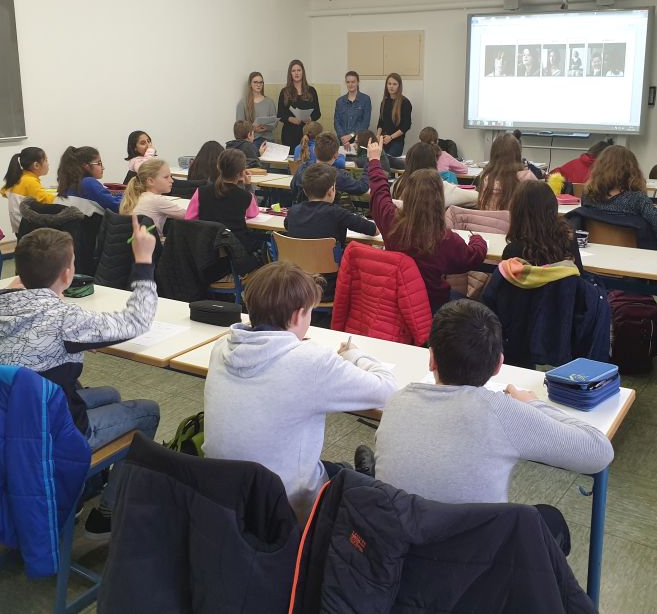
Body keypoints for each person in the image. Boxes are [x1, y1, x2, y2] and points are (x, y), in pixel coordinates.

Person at [374, 300, 613, 553]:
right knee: (550, 519)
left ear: (431, 358)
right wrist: (533, 404)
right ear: (499, 365)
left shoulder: (397, 401)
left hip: (396, 554)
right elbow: (599, 453)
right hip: (475, 562)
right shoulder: (502, 411)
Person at [0, 220, 161, 540]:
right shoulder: (66, 320)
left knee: (110, 394)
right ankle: (108, 511)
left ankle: (80, 490)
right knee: (148, 411)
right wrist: (144, 260)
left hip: (11, 423)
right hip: (51, 435)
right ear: (68, 274)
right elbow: (137, 320)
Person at [202, 261, 397, 522]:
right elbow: (388, 391)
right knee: (346, 477)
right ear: (297, 316)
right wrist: (354, 355)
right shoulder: (311, 362)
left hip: (221, 495)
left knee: (337, 469)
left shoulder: (221, 348)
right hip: (286, 508)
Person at [367, 140, 487, 309]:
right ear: (439, 198)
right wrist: (477, 240)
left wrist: (374, 160)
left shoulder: (391, 222)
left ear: (408, 194)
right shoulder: (445, 239)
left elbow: (379, 192)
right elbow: (473, 257)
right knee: (476, 306)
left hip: (397, 299)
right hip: (432, 304)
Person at [285, 163, 378, 298]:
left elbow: (287, 225)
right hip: (331, 286)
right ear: (331, 191)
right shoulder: (337, 213)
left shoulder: (293, 212)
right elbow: (374, 230)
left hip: (298, 283)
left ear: (305, 191)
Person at [581, 145, 657, 241]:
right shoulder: (638, 199)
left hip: (596, 248)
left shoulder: (588, 195)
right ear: (633, 170)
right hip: (632, 250)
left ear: (599, 168)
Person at [185, 148, 262, 254]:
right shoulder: (246, 196)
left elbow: (189, 218)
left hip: (207, 247)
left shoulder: (201, 192)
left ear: (218, 167)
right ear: (241, 173)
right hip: (236, 249)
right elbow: (253, 213)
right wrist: (248, 186)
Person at [503, 180, 583, 270]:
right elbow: (579, 273)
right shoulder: (567, 239)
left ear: (516, 211)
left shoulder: (512, 252)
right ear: (553, 207)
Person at [392, 142, 477, 208]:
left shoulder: (397, 184)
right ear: (434, 162)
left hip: (402, 225)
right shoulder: (440, 187)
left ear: (408, 161)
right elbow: (478, 198)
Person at [119, 158, 186, 238]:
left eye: (170, 176)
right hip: (152, 244)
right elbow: (188, 215)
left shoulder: (137, 196)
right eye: (166, 177)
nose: (172, 180)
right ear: (150, 181)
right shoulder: (157, 200)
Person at [292, 132, 366, 202]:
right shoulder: (338, 176)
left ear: (314, 151)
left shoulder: (302, 168)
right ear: (336, 155)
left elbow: (293, 188)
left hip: (302, 209)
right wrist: (370, 162)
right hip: (328, 210)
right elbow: (362, 188)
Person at [1, 146, 55, 233]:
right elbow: (46, 200)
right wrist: (62, 197)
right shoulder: (29, 181)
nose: (48, 164)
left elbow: (3, 191)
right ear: (36, 165)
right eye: (46, 160)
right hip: (28, 228)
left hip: (18, 226)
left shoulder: (19, 177)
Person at [477, 133, 536, 211]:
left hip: (489, 219)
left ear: (493, 155)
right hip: (516, 219)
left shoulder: (486, 178)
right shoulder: (527, 178)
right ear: (518, 154)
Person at [56, 145, 122, 212]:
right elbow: (117, 206)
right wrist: (126, 195)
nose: (103, 168)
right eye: (99, 163)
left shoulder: (69, 184)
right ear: (86, 166)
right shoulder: (88, 182)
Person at [278, 59, 321, 151]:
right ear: (290, 73)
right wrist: (291, 119)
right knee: (292, 158)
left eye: (299, 70)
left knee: (308, 158)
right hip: (289, 134)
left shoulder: (311, 91)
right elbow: (280, 114)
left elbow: (317, 113)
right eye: (293, 71)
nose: (296, 73)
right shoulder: (285, 92)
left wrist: (309, 119)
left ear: (303, 72)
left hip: (309, 133)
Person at [235, 71, 278, 142]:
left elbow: (275, 123)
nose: (258, 85)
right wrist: (252, 129)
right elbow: (239, 126)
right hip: (251, 140)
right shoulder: (242, 103)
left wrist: (265, 127)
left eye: (261, 82)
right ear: (250, 84)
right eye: (255, 82)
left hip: (268, 139)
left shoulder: (270, 102)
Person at [376, 73, 412, 157]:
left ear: (399, 86)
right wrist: (377, 135)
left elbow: (406, 126)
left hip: (396, 142)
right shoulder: (384, 101)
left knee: (390, 162)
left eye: (394, 84)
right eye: (389, 84)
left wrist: (391, 137)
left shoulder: (405, 102)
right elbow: (381, 122)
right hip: (383, 140)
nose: (391, 86)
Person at [334, 71, 372, 148]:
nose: (350, 84)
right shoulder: (340, 101)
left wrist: (351, 135)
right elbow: (336, 121)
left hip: (358, 140)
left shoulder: (365, 99)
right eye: (348, 82)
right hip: (343, 141)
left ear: (358, 82)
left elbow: (365, 122)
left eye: (353, 82)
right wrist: (342, 136)